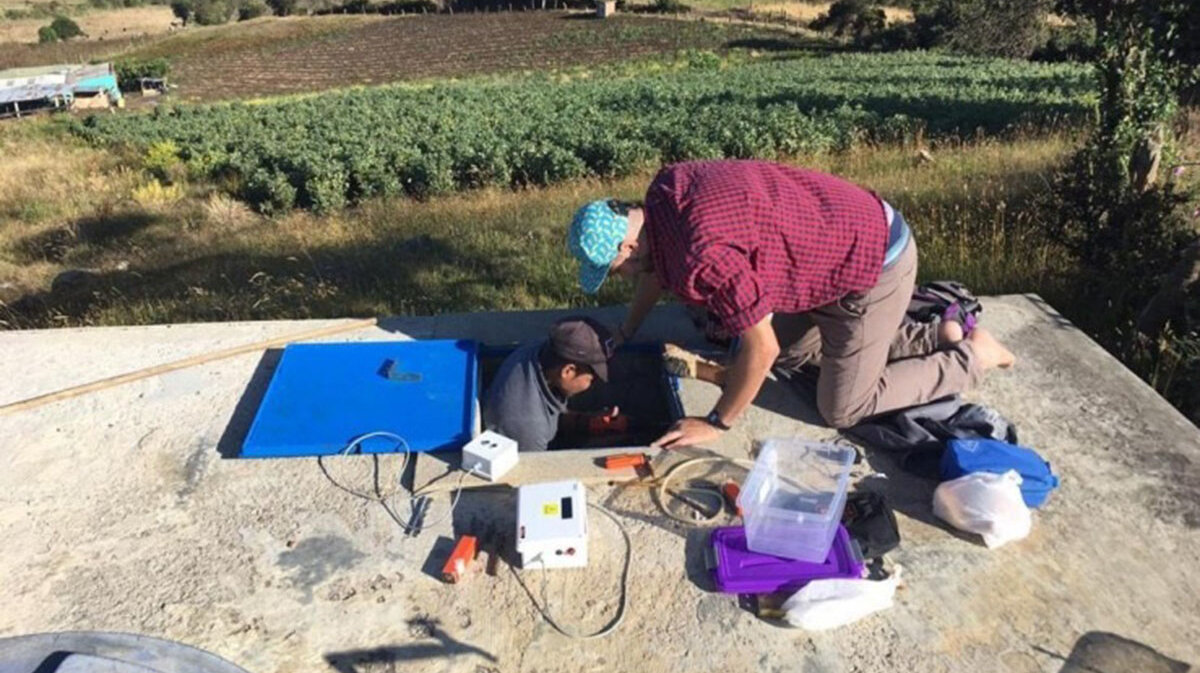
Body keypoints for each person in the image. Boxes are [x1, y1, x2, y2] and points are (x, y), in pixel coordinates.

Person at [566, 159, 1015, 448]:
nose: (619, 278)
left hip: (871, 265)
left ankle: (974, 354)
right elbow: (654, 273)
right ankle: (933, 335)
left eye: (614, 269)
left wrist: (718, 423)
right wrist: (626, 332)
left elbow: (763, 349)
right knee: (796, 355)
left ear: (626, 247)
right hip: (825, 251)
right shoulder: (664, 193)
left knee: (842, 408)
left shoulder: (698, 257)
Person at [482, 316, 617, 452]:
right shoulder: (529, 429)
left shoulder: (543, 350)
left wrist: (586, 422)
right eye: (592, 379)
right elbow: (538, 469)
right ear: (568, 371)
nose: (593, 385)